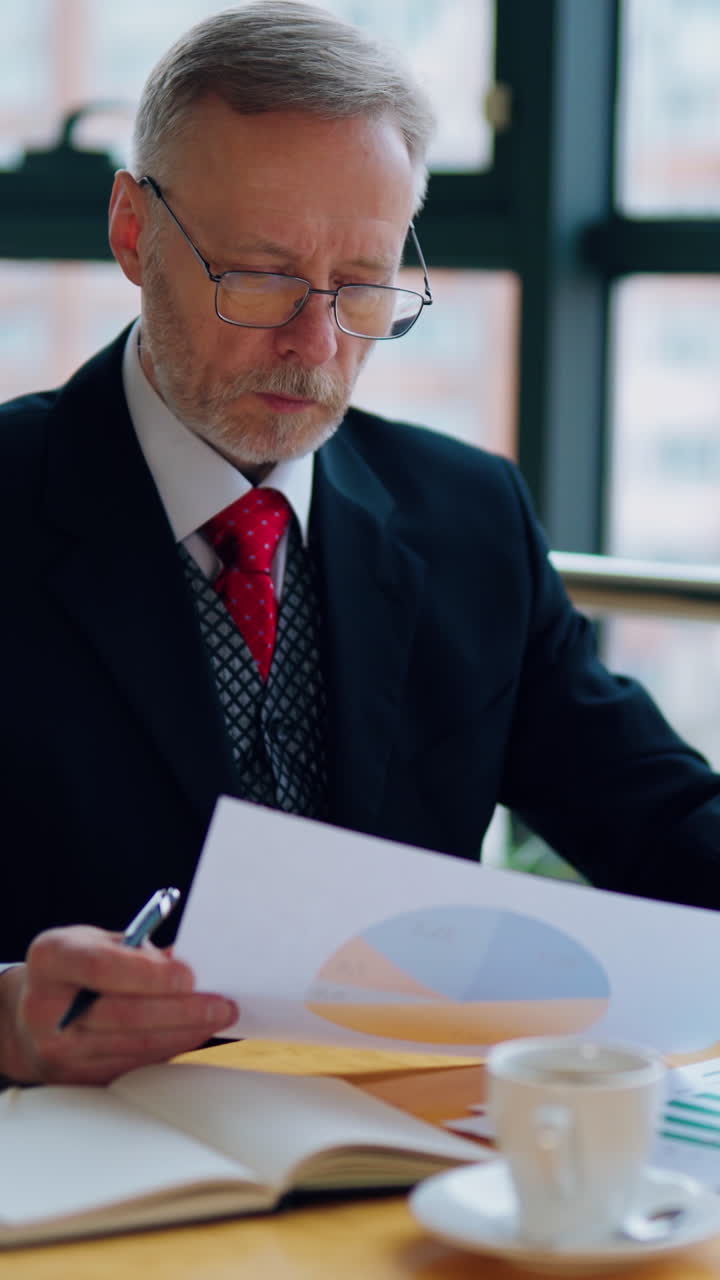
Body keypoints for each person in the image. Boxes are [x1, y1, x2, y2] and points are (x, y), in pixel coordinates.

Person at [1, 1, 719, 1088]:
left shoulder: (468, 516)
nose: (316, 343)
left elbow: (660, 819)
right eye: (264, 275)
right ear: (133, 233)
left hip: (391, 1161)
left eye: (365, 286)